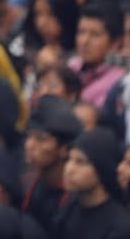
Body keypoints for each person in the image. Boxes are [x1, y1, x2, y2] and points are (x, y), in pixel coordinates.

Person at [56, 128, 130, 239]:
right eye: (69, 159)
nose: (69, 169)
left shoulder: (120, 226)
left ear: (102, 169)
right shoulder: (71, 206)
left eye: (80, 162)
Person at [22, 96, 83, 232]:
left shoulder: (77, 200)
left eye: (41, 139)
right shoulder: (29, 183)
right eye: (29, 136)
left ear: (64, 150)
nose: (29, 145)